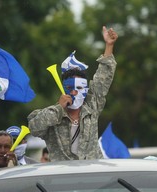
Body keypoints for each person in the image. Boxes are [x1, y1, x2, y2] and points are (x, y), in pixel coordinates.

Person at [27, 26, 118, 161]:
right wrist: (58, 108)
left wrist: (109, 46)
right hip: (62, 176)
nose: (75, 92)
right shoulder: (52, 115)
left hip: (92, 173)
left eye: (80, 88)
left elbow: (102, 79)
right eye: (70, 88)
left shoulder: (92, 107)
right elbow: (34, 128)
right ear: (63, 89)